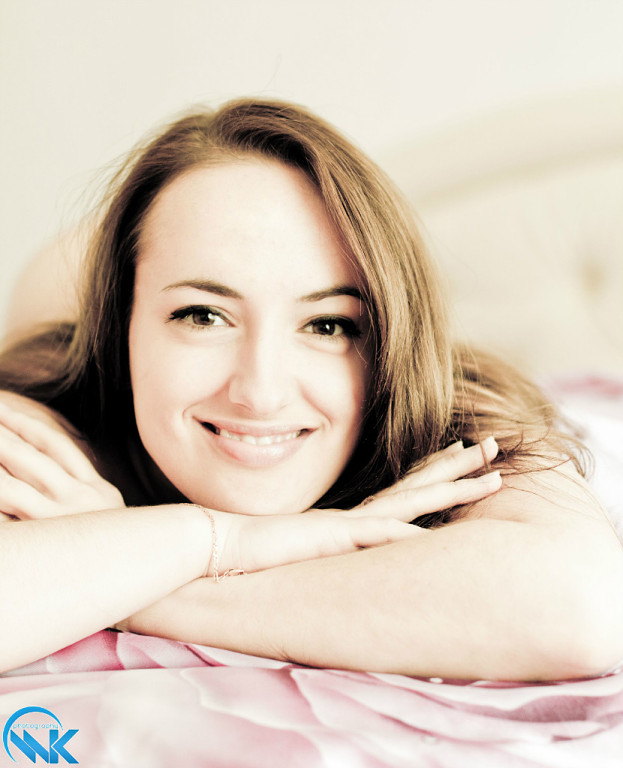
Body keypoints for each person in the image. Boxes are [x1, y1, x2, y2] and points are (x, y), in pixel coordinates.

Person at [0, 99, 621, 680]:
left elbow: (581, 609)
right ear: (121, 326)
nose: (261, 392)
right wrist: (225, 539)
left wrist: (151, 588)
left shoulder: (460, 420)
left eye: (327, 325)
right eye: (203, 316)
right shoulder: (54, 408)